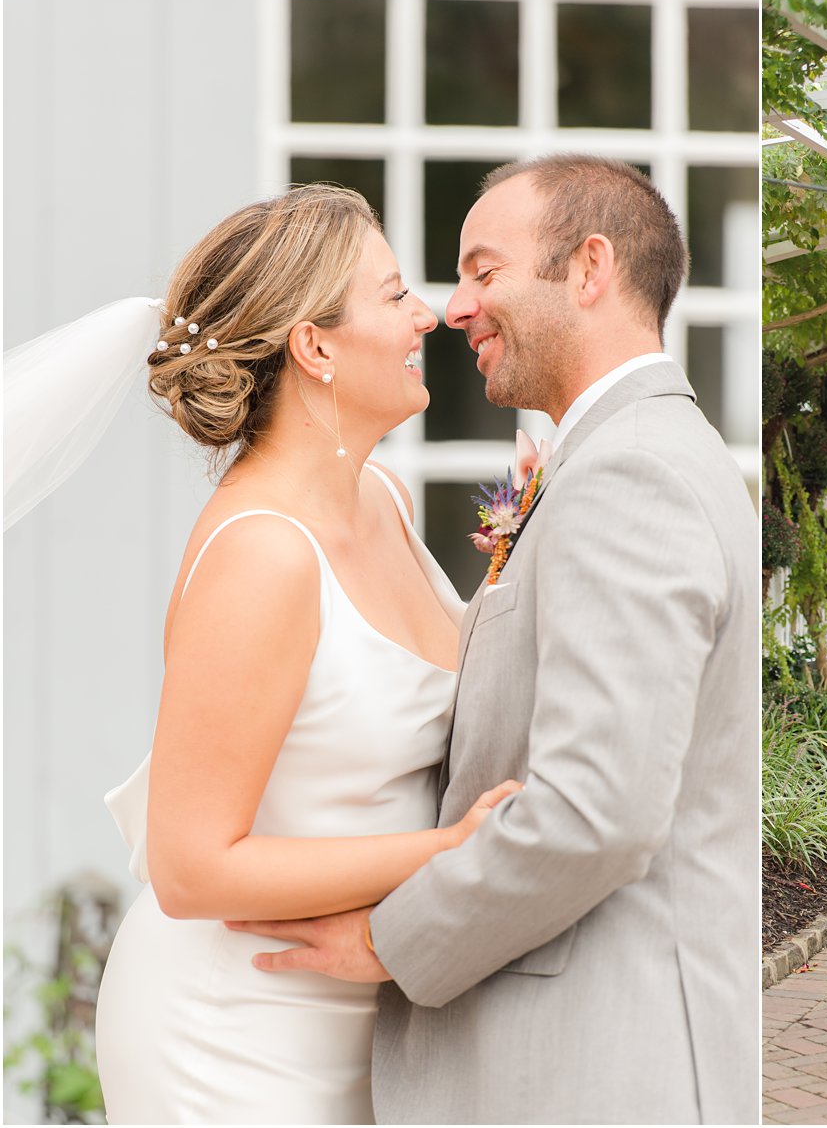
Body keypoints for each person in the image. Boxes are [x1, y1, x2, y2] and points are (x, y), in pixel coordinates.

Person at [231, 155, 760, 1124]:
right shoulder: (613, 462)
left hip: (593, 1068)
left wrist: (391, 942)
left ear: (589, 268)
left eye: (483, 270)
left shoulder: (628, 476)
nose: (454, 305)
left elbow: (593, 811)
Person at [88, 185, 520, 1123]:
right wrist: (446, 852)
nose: (428, 316)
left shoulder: (386, 501)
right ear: (315, 347)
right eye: (396, 294)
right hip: (231, 1030)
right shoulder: (263, 553)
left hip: (360, 1012)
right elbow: (190, 866)